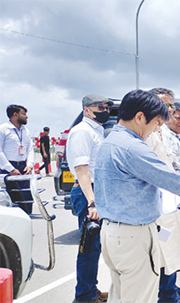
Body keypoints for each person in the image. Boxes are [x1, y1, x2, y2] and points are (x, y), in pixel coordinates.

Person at [95, 90, 180, 303]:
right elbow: (174, 181)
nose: (156, 130)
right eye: (156, 123)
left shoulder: (111, 140)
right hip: (134, 236)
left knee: (120, 295)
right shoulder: (133, 147)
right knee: (140, 298)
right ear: (140, 117)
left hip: (112, 233)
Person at [147, 88, 180, 303]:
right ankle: (167, 295)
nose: (166, 110)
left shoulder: (162, 131)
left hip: (174, 198)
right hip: (158, 201)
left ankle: (169, 290)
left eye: (169, 106)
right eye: (163, 105)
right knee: (163, 249)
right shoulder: (148, 133)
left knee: (172, 247)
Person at [66, 94, 112, 303]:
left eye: (106, 107)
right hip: (88, 193)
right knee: (88, 247)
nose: (105, 110)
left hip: (96, 191)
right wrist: (92, 201)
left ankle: (90, 289)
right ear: (86, 110)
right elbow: (82, 169)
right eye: (100, 107)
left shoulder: (97, 131)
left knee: (95, 248)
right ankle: (84, 296)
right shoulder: (82, 132)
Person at [0, 104, 35, 213]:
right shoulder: (3, 129)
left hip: (23, 168)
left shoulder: (25, 131)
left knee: (26, 199)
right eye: (23, 114)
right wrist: (10, 169)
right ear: (15, 115)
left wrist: (29, 165)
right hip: (8, 169)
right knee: (10, 200)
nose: (26, 117)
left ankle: (27, 222)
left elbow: (30, 149)